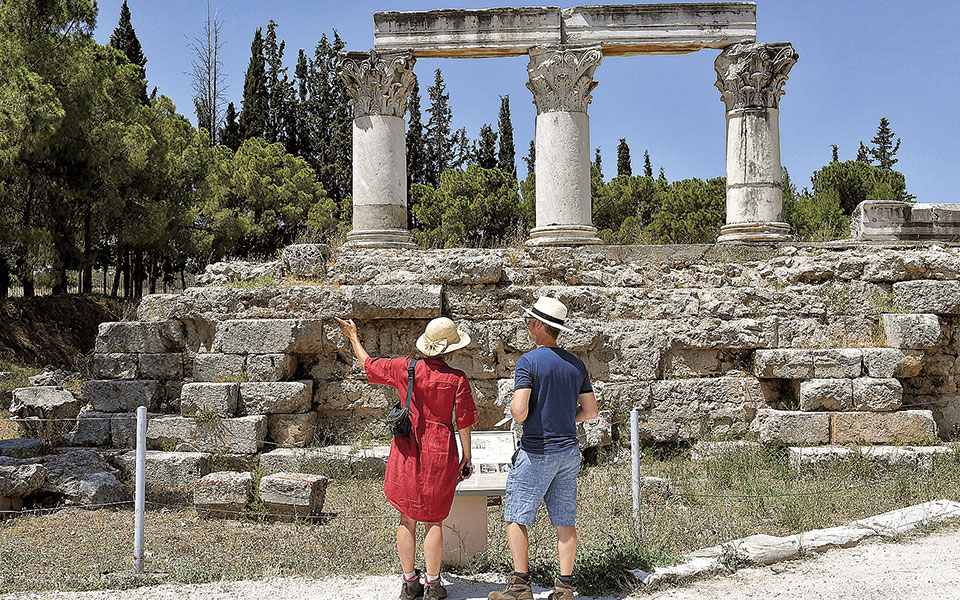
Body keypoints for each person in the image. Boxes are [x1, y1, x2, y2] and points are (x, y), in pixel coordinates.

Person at [337, 316, 478, 600]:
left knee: (407, 517)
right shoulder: (456, 379)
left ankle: (409, 582)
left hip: (407, 448)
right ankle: (433, 585)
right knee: (434, 520)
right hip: (440, 452)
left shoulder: (405, 368)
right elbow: (463, 421)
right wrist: (466, 456)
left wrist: (353, 336)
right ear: (450, 348)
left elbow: (369, 365)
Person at [488, 297, 598, 600]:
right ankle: (564, 587)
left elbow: (520, 411)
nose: (526, 326)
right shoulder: (576, 364)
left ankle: (521, 585)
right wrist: (565, 419)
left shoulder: (528, 361)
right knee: (565, 521)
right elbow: (590, 412)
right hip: (568, 452)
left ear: (538, 325)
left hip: (537, 451)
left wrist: (514, 406)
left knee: (516, 516)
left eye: (528, 322)